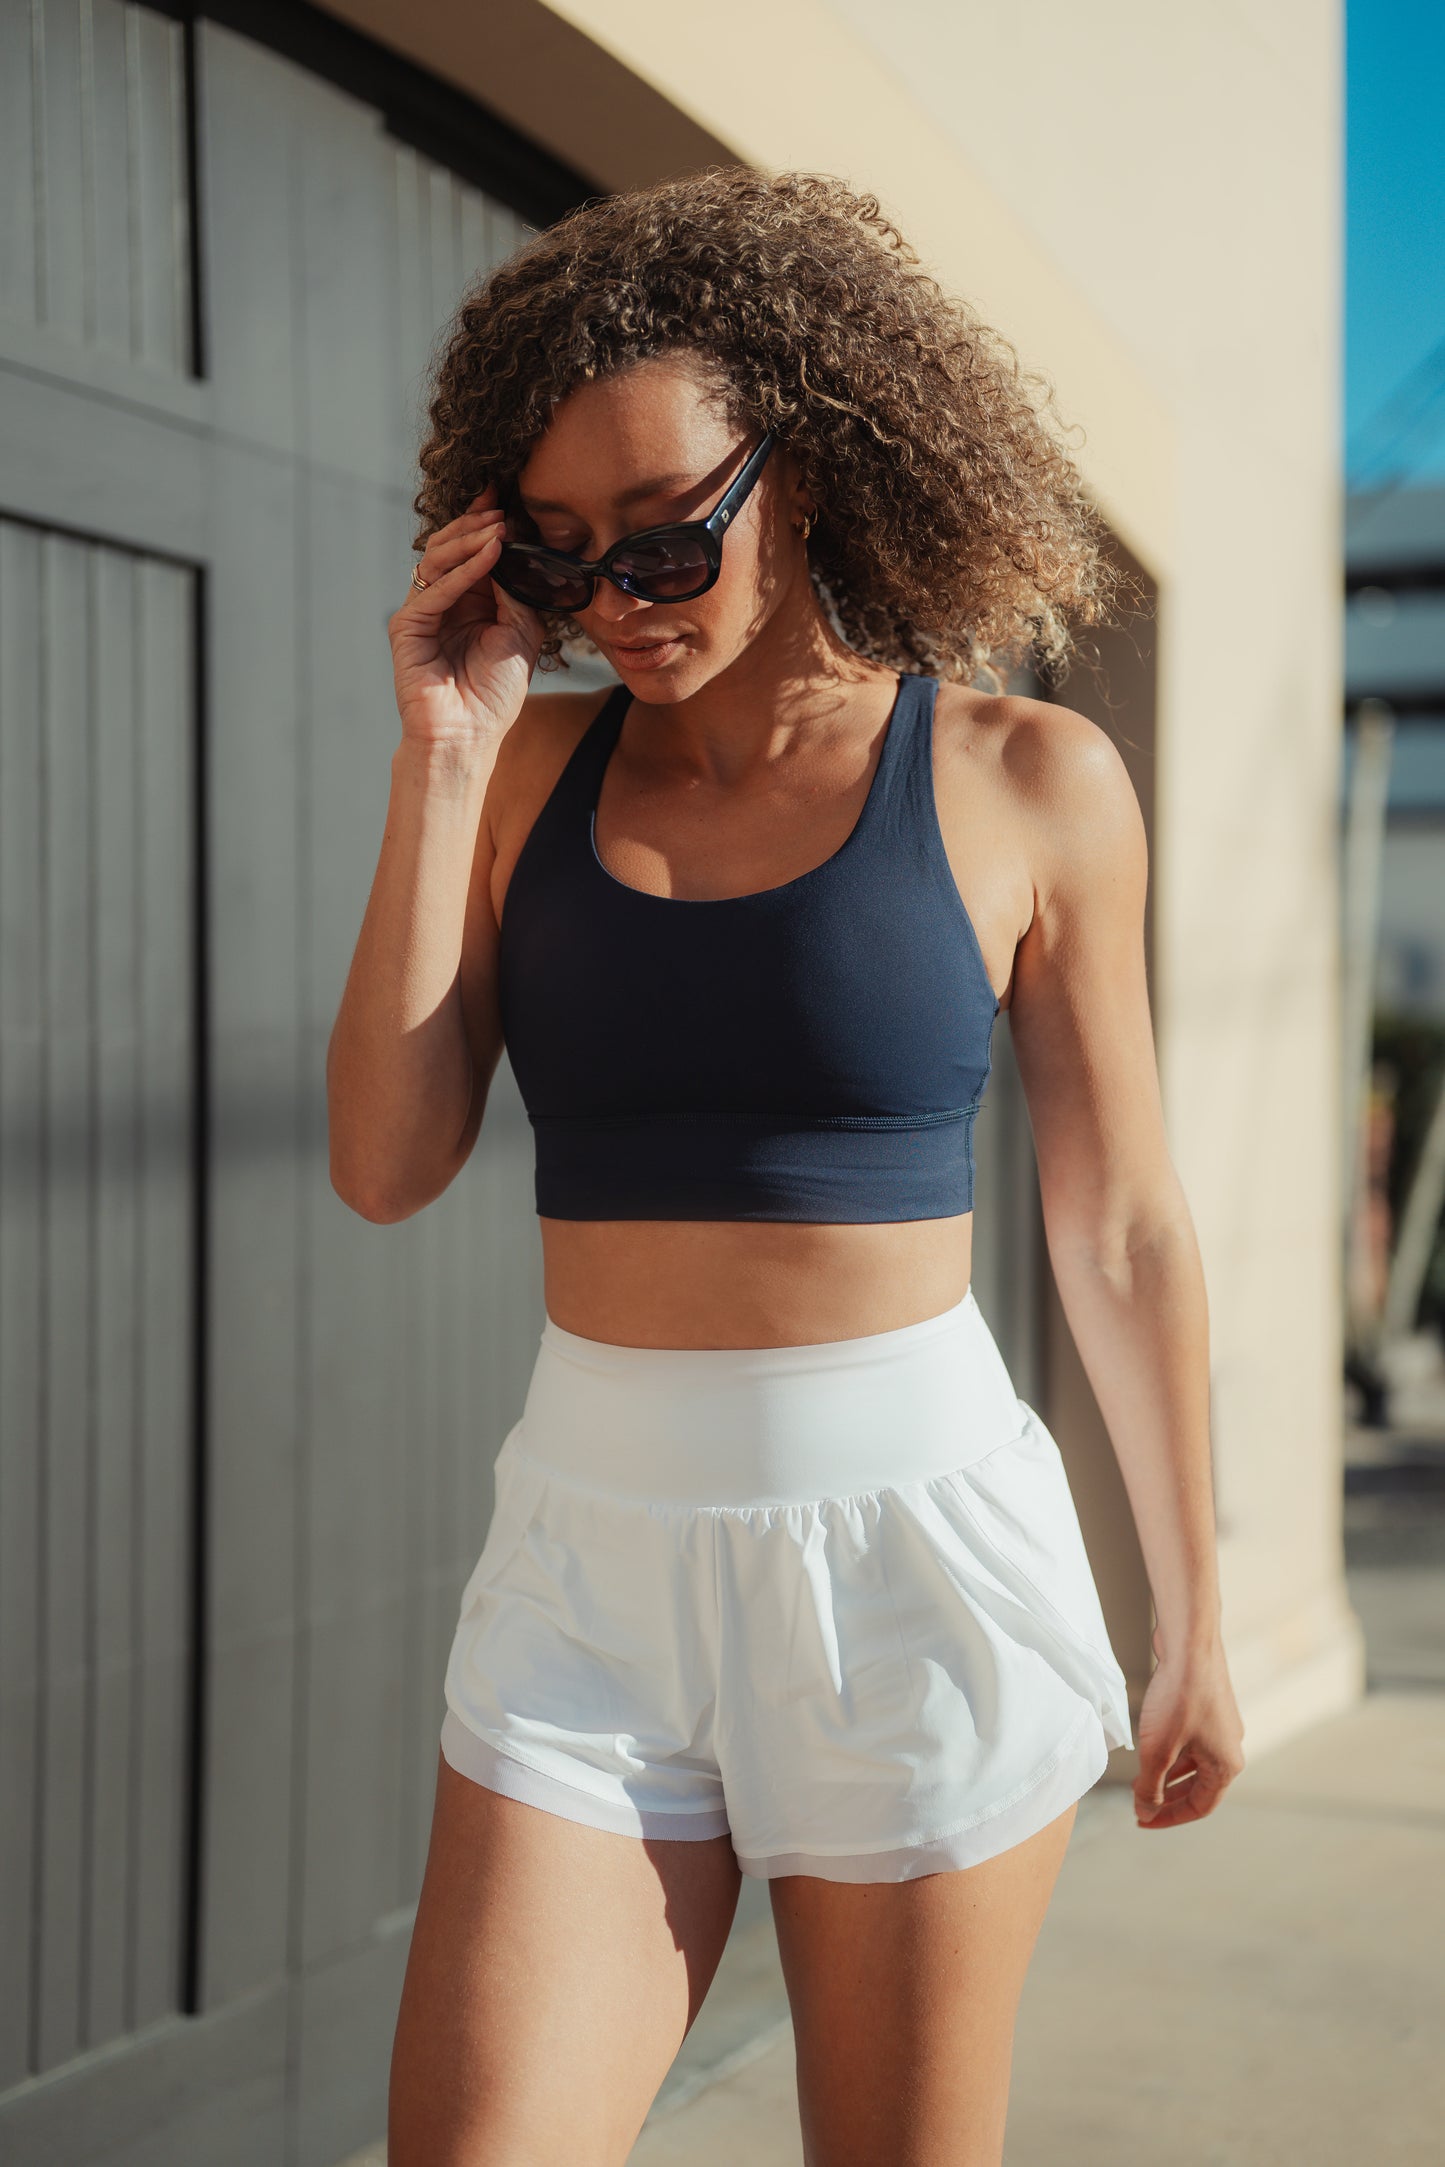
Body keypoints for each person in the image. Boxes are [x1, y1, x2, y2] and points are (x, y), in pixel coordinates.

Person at [328, 165, 1245, 2167]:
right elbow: (388, 1167)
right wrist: (444, 748)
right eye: (564, 561)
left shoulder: (1024, 780)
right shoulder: (526, 777)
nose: (614, 610)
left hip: (910, 1570)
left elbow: (1126, 1221)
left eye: (665, 547)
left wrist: (1192, 1609)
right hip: (588, 1563)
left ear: (804, 471)